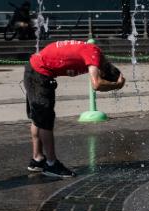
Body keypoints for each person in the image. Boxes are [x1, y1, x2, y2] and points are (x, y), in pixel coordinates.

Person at [24, 40, 126, 178]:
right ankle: (51, 164)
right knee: (45, 121)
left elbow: (67, 57)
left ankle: (37, 159)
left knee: (39, 118)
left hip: (34, 68)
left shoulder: (92, 51)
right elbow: (96, 84)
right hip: (39, 73)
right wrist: (116, 85)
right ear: (102, 71)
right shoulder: (94, 56)